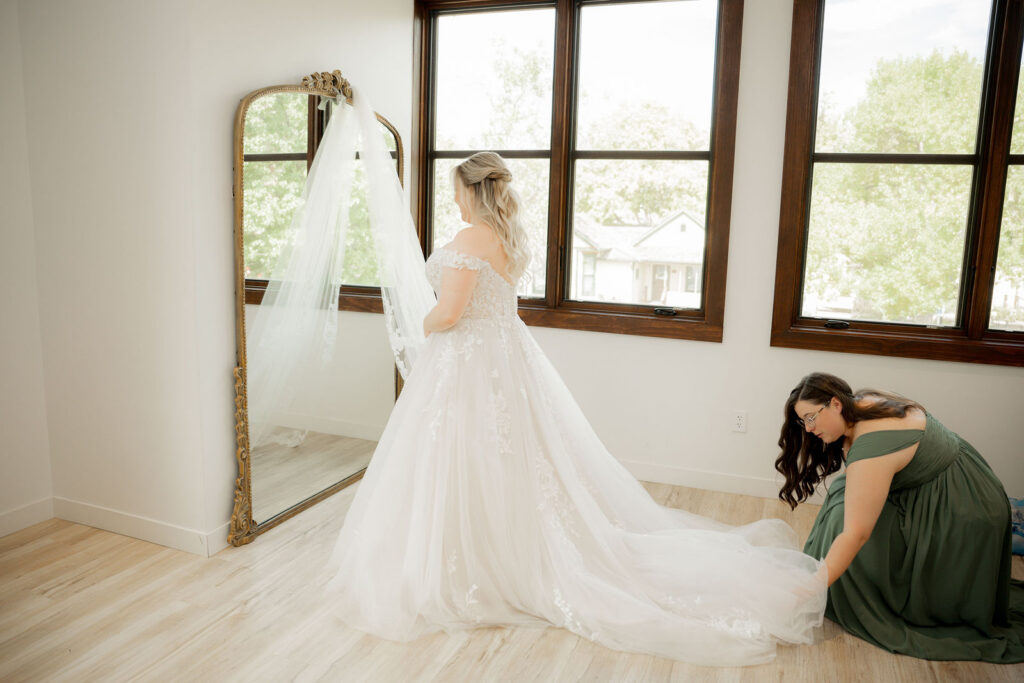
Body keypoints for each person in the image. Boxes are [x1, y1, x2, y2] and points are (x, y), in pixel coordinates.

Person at [323, 152, 827, 666]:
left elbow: (451, 313)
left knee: (463, 457)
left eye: (455, 189)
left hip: (469, 365)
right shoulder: (505, 237)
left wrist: (419, 326)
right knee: (504, 461)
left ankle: (474, 562)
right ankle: (495, 548)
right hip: (503, 361)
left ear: (473, 190)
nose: (451, 199)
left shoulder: (473, 237)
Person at [778, 372, 1024, 662]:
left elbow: (856, 533)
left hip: (963, 509)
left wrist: (815, 585)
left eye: (811, 417)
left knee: (844, 521)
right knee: (843, 497)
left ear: (835, 404)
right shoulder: (864, 401)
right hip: (960, 484)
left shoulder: (872, 443)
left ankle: (882, 591)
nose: (808, 429)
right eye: (803, 421)